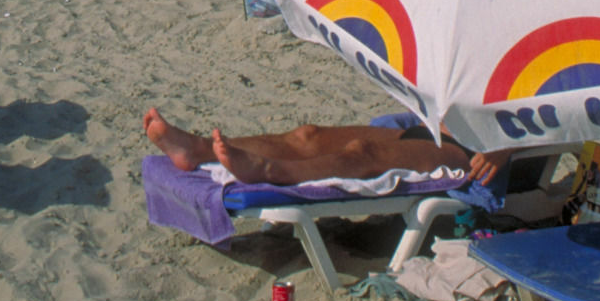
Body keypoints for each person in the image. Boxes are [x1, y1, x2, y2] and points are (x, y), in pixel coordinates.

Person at [143, 107, 509, 187]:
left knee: (362, 152)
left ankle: (273, 171)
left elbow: (564, 119)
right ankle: (196, 148)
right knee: (308, 136)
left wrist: (508, 148)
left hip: (475, 147)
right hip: (432, 127)